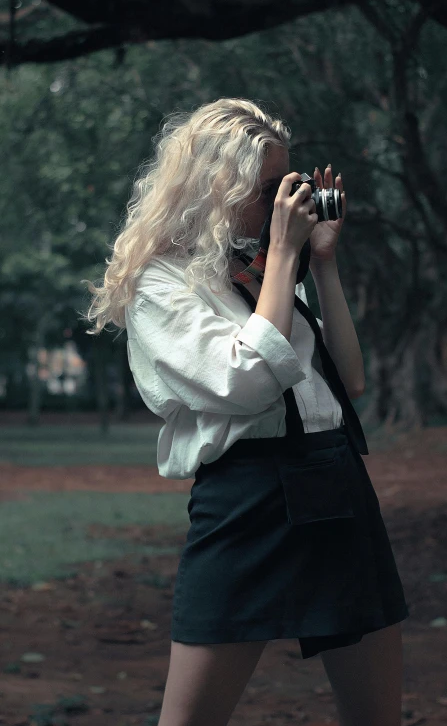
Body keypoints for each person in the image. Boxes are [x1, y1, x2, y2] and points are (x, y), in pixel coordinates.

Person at [81, 98, 409, 726]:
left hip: (334, 478)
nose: (287, 202)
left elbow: (351, 380)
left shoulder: (262, 268)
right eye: (268, 190)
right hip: (246, 499)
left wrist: (322, 264)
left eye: (291, 184)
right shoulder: (162, 283)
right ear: (215, 187)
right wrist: (284, 258)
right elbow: (245, 385)